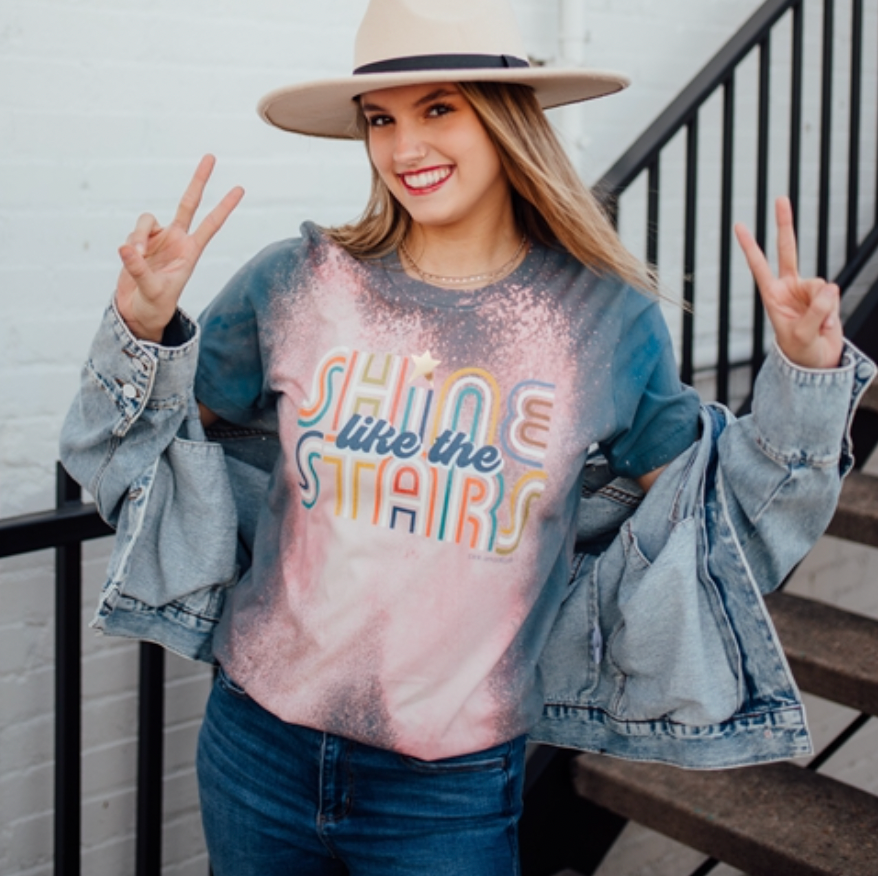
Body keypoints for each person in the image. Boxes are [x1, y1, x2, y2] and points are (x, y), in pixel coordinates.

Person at [60, 1, 874, 874]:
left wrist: (804, 380)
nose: (405, 148)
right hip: (256, 748)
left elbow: (716, 535)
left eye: (439, 108)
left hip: (445, 792)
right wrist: (141, 326)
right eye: (382, 118)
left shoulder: (605, 317)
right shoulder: (295, 283)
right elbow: (141, 456)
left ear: (506, 116)